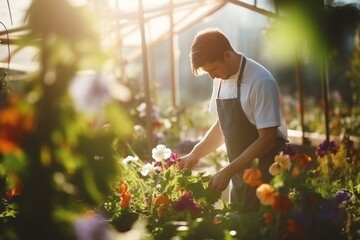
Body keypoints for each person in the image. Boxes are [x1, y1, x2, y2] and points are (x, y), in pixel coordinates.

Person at [179, 28, 288, 212]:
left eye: (213, 69)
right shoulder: (220, 79)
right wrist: (195, 153)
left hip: (266, 176)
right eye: (208, 72)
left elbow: (267, 139)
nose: (212, 76)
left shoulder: (261, 81)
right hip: (238, 174)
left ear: (227, 55)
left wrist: (227, 172)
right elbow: (223, 126)